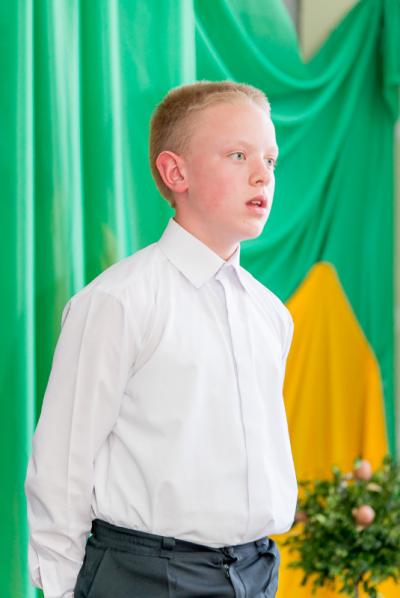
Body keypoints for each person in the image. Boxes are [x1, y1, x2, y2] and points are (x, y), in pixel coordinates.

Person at [25, 80, 297, 598]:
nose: (263, 174)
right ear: (176, 172)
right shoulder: (118, 302)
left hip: (256, 571)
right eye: (238, 155)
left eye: (270, 159)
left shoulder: (271, 315)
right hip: (145, 575)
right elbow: (61, 469)